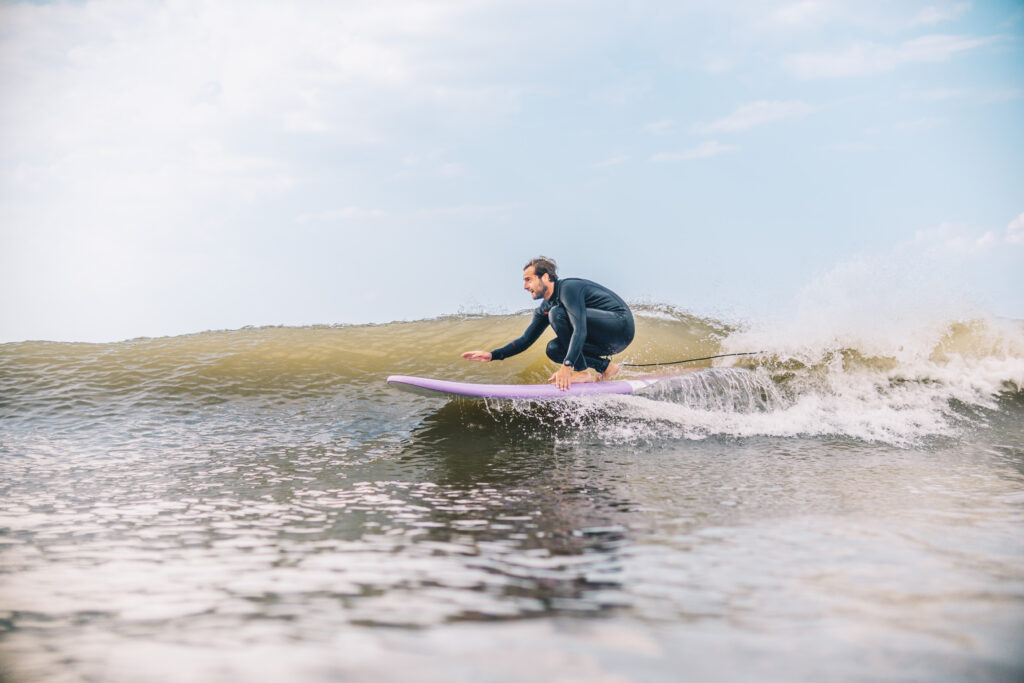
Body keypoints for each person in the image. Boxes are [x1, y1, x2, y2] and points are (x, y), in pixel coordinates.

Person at [461, 257, 635, 391]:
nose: (524, 286)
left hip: (620, 327)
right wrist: (492, 355)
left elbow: (579, 329)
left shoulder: (568, 289)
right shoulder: (545, 307)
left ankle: (582, 373)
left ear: (545, 277)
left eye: (528, 279)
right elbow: (525, 340)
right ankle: (606, 367)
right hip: (603, 343)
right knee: (554, 349)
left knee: (557, 313)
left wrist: (567, 367)